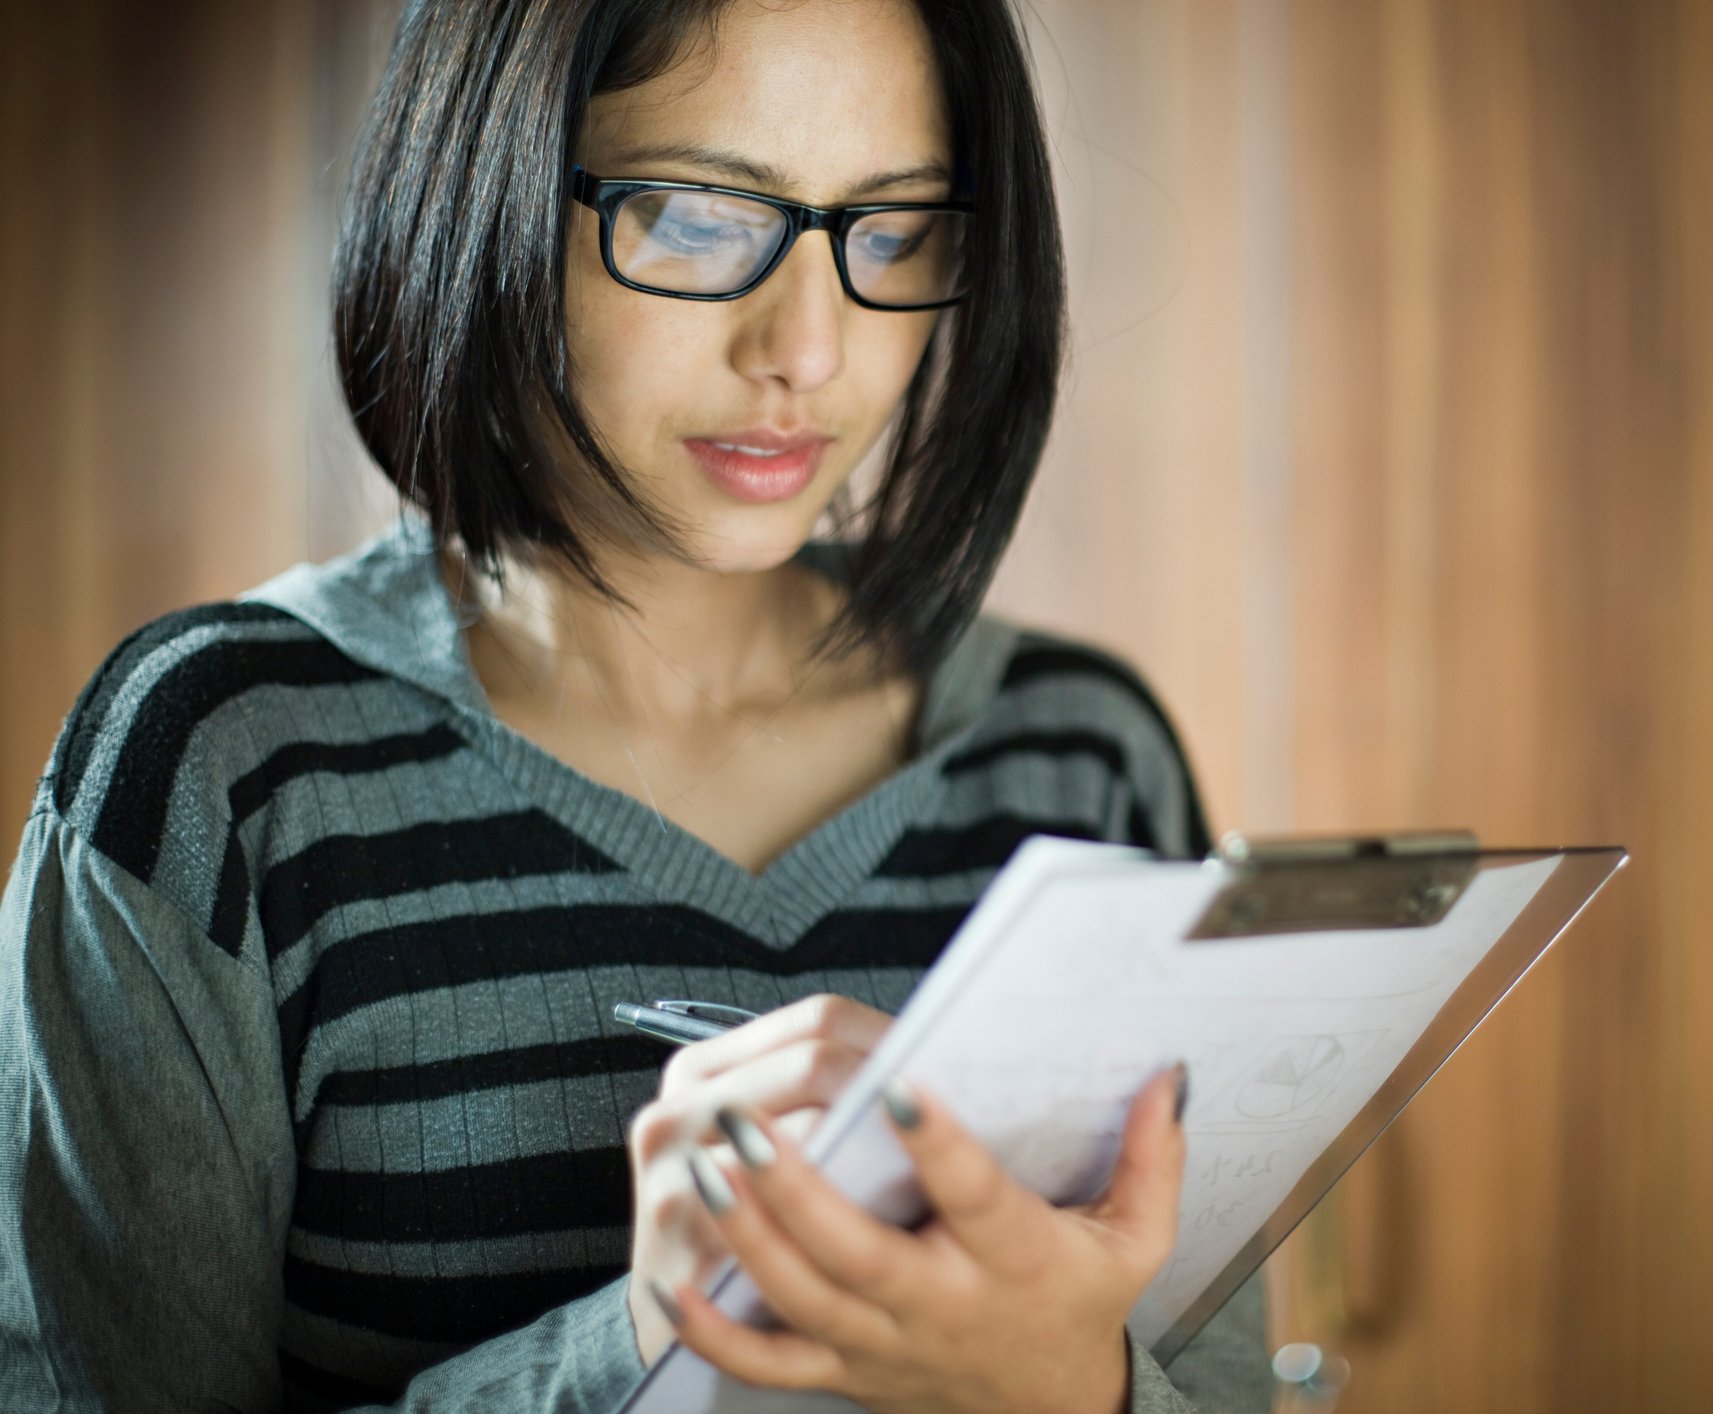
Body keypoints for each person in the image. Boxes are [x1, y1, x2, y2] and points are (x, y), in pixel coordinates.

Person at [0, 0, 1275, 1410]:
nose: (806, 349)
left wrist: (1069, 1387)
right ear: (480, 192)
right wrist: (646, 1333)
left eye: (896, 229)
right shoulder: (219, 769)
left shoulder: (1081, 762)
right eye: (690, 215)